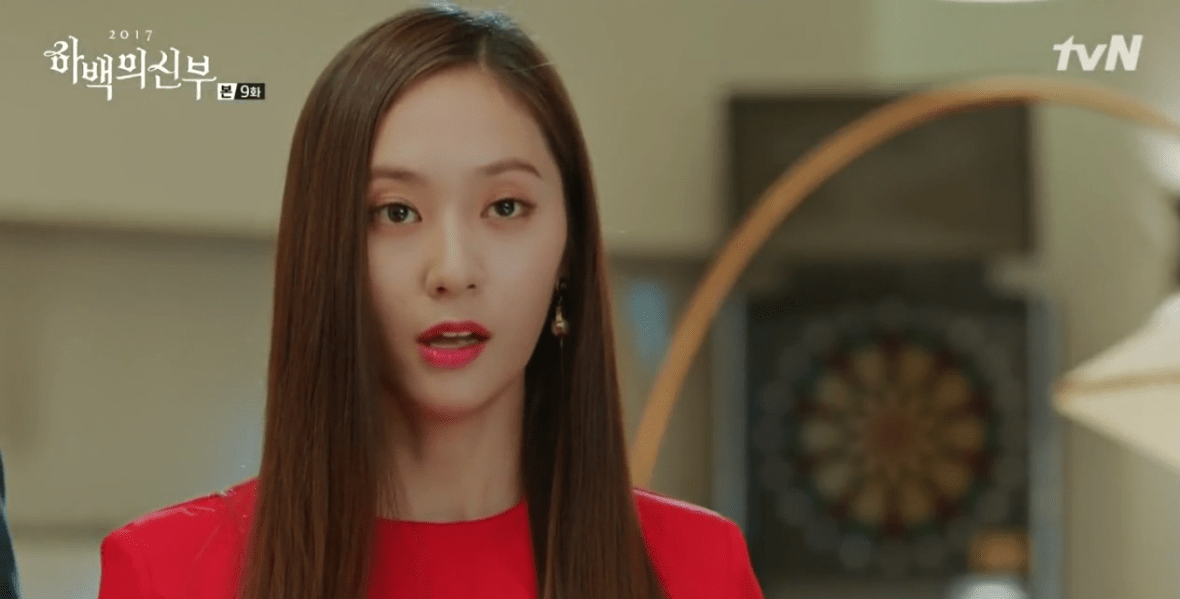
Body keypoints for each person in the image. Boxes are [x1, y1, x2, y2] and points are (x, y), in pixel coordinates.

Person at [97, 4, 764, 598]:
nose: (452, 270)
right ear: (327, 250)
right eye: (396, 212)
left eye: (505, 206)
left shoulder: (699, 570)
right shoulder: (168, 573)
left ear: (570, 246)